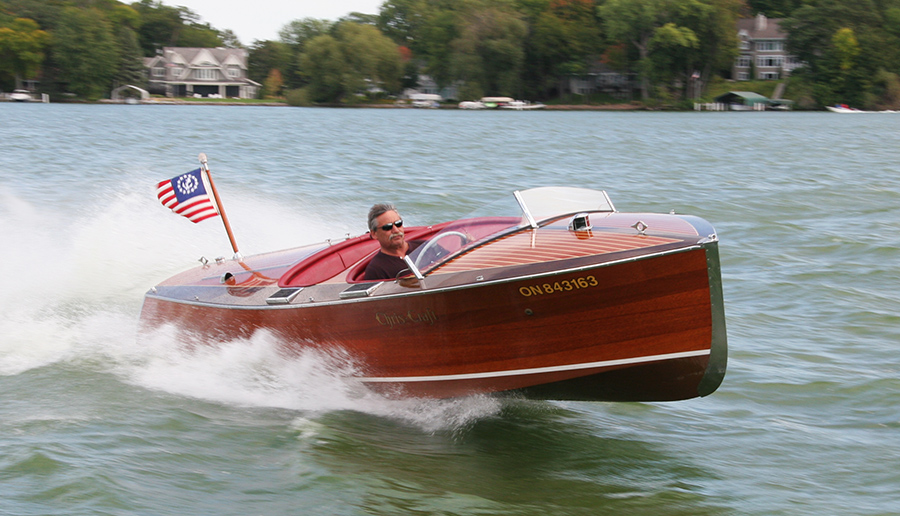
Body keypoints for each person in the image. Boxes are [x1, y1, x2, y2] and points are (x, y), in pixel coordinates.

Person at [363, 203, 421, 280]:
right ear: (374, 234)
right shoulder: (376, 270)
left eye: (398, 224)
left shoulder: (424, 246)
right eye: (387, 227)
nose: (396, 230)